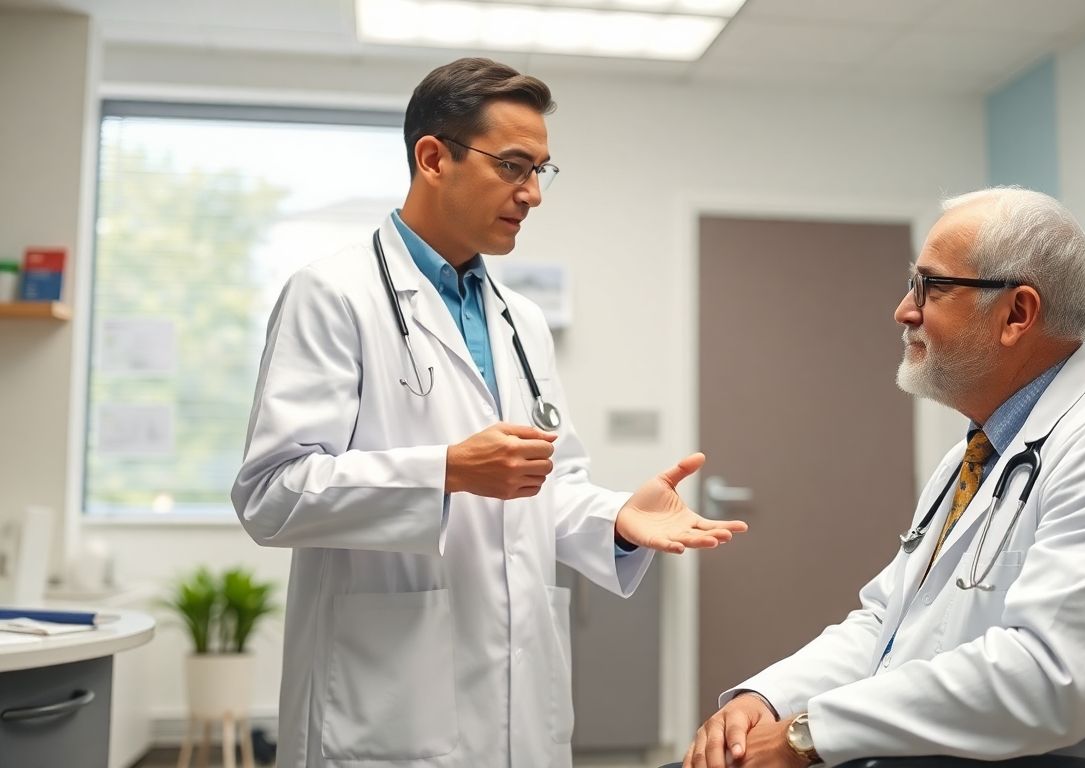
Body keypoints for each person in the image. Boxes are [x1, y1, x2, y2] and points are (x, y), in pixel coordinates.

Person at [231, 57, 747, 768]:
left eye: (541, 170)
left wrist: (616, 519)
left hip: (516, 698)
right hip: (384, 696)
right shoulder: (333, 294)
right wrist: (444, 472)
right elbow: (271, 495)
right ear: (433, 157)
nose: (532, 193)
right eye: (512, 166)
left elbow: (545, 483)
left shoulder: (520, 320)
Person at [679, 187, 1085, 768]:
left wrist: (811, 735)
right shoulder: (979, 456)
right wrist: (767, 699)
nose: (904, 309)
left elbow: (1046, 679)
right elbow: (888, 622)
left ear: (1017, 314)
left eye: (932, 287)